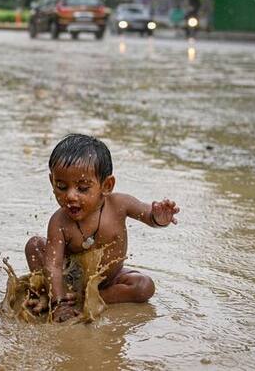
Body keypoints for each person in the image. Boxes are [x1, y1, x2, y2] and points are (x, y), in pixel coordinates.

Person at [24, 134, 180, 322]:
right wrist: (59, 303)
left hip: (110, 281)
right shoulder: (59, 222)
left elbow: (149, 216)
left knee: (143, 286)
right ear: (52, 182)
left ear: (106, 186)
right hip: (70, 282)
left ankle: (91, 300)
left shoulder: (120, 204)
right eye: (61, 186)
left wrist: (160, 217)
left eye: (82, 188)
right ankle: (55, 295)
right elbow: (54, 265)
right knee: (34, 245)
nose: (70, 196)